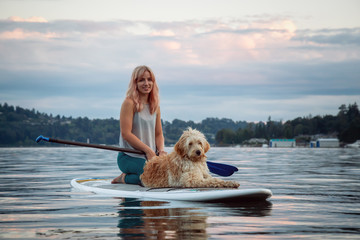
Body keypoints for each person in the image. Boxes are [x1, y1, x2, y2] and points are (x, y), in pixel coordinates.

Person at [112, 65, 167, 185]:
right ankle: (123, 178)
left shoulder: (155, 105)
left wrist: (161, 150)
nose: (146, 83)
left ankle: (135, 177)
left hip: (150, 157)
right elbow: (126, 134)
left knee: (164, 176)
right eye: (142, 80)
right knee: (152, 178)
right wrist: (148, 150)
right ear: (135, 83)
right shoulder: (129, 103)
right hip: (129, 156)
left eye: (149, 79)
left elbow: (158, 134)